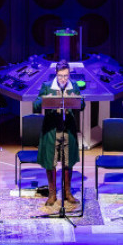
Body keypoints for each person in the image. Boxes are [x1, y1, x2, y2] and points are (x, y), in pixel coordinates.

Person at [33, 61, 86, 207]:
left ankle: (68, 193)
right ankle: (52, 193)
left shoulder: (73, 85)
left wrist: (78, 99)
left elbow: (81, 106)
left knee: (68, 161)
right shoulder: (47, 86)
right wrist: (46, 98)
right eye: (61, 76)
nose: (63, 79)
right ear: (56, 74)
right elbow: (35, 105)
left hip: (68, 129)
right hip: (51, 129)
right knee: (51, 162)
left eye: (66, 76)